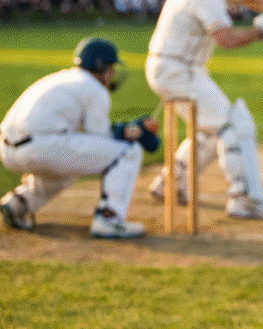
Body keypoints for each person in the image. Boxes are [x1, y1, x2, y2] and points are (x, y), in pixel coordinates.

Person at [144, 0, 263, 220]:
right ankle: (244, 199)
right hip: (178, 70)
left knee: (209, 129)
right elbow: (226, 40)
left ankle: (171, 184)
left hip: (175, 67)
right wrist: (262, 31)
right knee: (234, 125)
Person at [1, 37, 159, 239]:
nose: (112, 72)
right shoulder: (94, 87)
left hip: (8, 149)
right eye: (110, 66)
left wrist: (127, 129)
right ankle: (110, 219)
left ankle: (19, 203)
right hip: (40, 146)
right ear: (101, 65)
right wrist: (133, 131)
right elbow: (102, 136)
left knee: (68, 169)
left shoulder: (62, 78)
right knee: (128, 152)